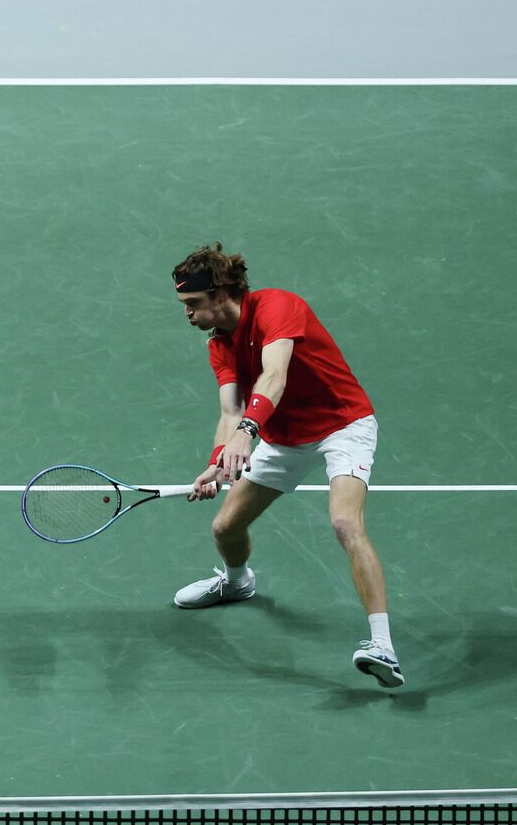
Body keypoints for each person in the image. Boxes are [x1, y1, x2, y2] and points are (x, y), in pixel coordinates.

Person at [171, 243, 402, 688]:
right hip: (283, 438)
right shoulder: (219, 345)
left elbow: (273, 376)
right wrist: (218, 462)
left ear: (220, 294)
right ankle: (238, 583)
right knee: (225, 529)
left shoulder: (278, 306)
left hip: (342, 425)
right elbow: (230, 411)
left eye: (193, 303)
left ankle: (382, 645)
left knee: (344, 523)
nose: (187, 313)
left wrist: (247, 435)